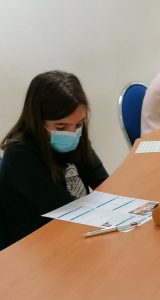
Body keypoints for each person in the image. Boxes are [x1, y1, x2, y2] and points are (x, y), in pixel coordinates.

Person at [0, 71, 109, 247]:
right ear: (38, 120)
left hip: (76, 235)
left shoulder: (76, 137)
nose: (73, 133)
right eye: (61, 126)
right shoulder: (20, 154)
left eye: (79, 124)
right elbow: (65, 210)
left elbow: (104, 184)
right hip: (39, 248)